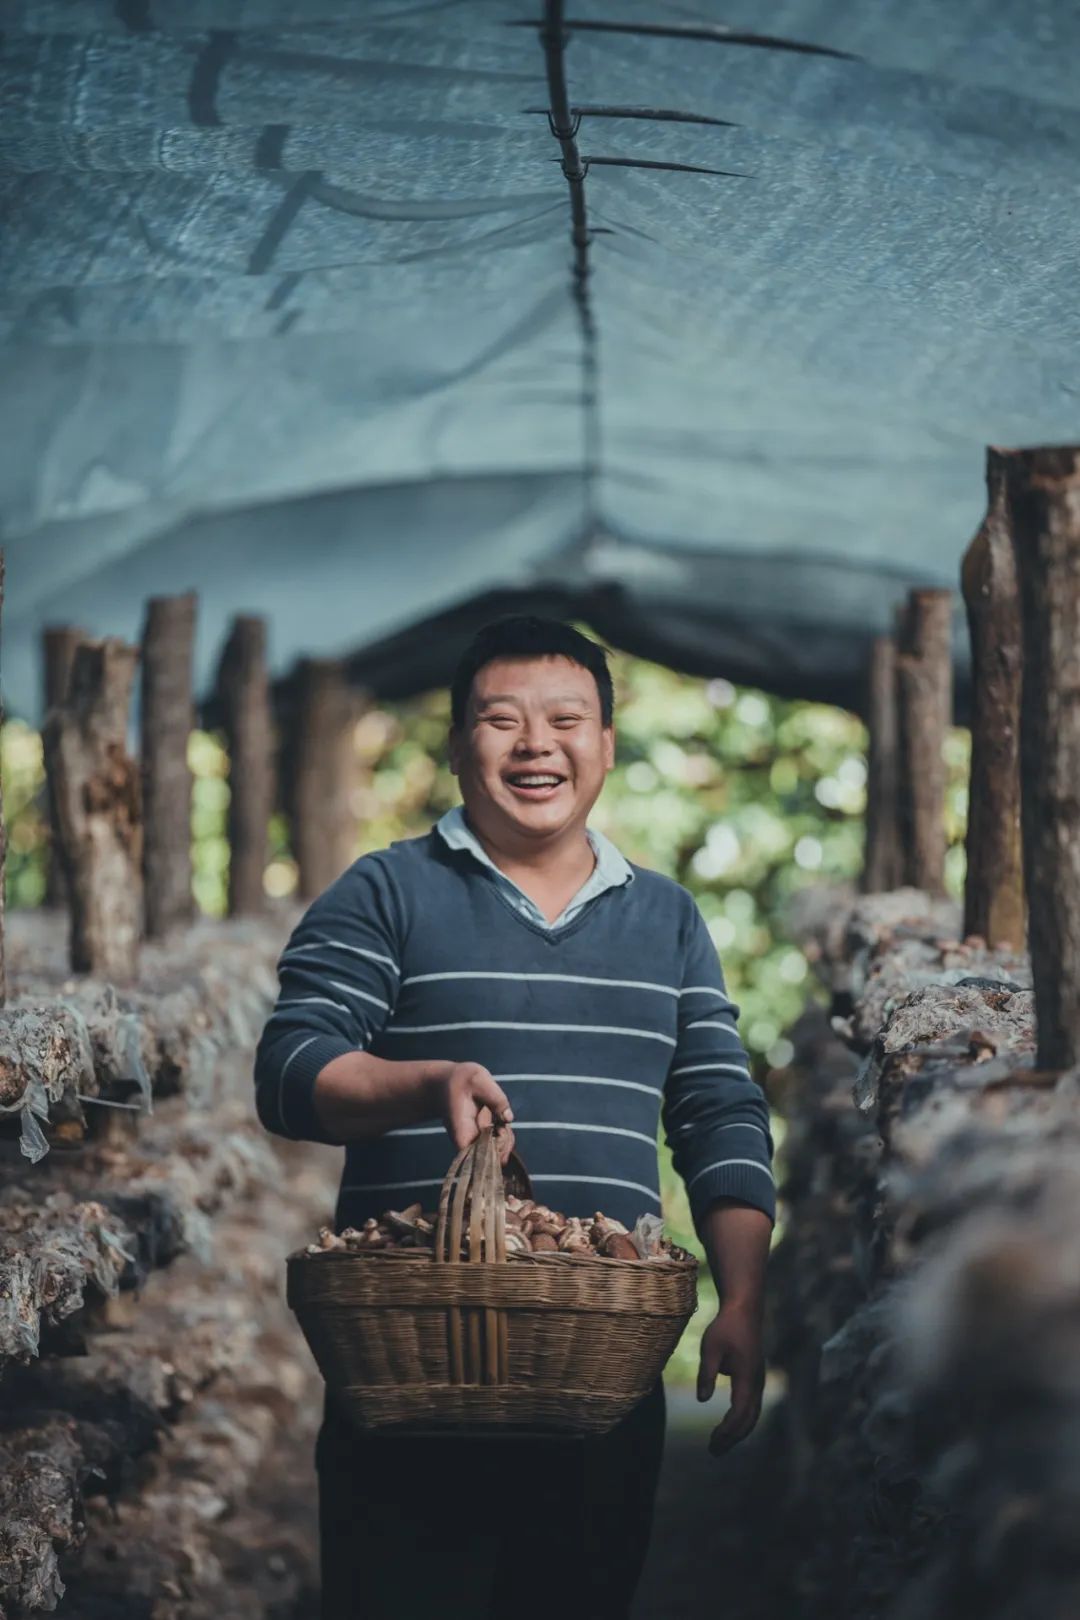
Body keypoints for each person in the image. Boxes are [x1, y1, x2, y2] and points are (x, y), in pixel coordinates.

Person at [254, 616, 775, 1620]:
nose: (536, 745)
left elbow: (718, 1110)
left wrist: (742, 1298)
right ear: (458, 746)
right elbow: (291, 1068)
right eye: (502, 721)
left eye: (566, 720)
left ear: (608, 745)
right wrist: (422, 1082)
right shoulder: (388, 891)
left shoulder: (666, 919)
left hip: (603, 1382)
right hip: (410, 1380)